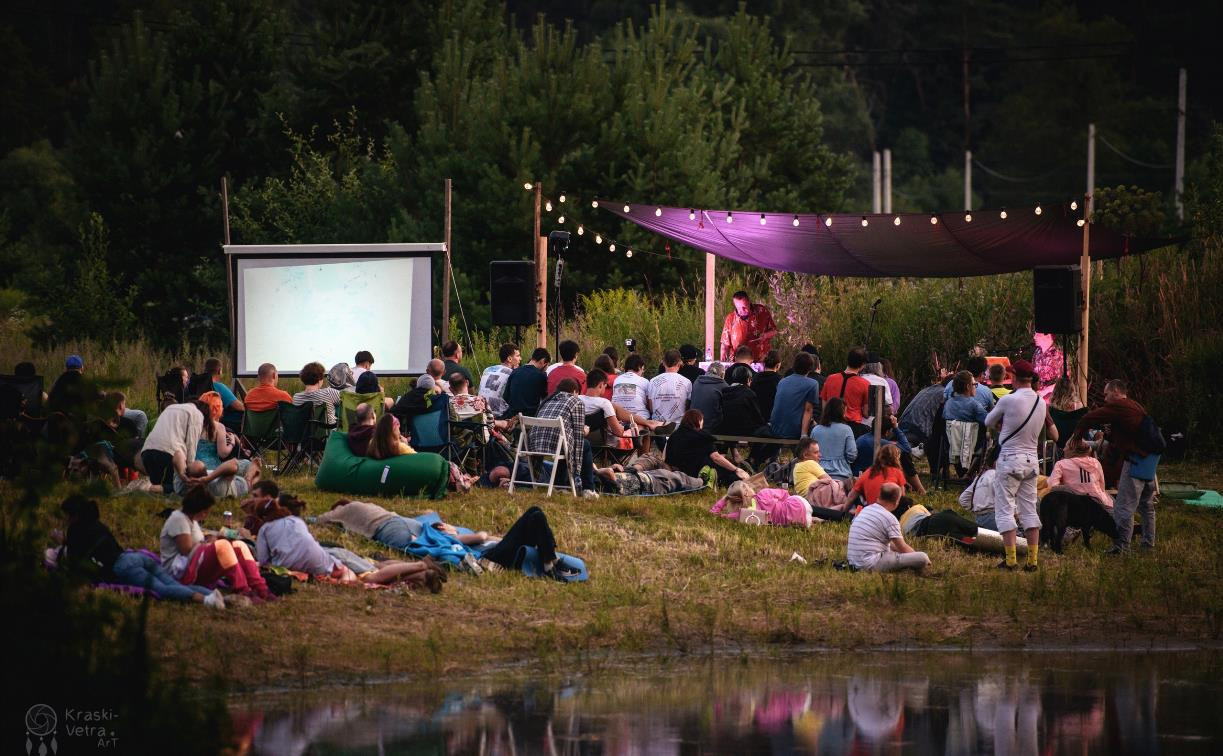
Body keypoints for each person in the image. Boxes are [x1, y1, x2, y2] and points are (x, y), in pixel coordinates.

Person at [58, 496, 225, 608]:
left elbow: (77, 562)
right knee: (176, 585)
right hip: (136, 557)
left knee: (161, 589)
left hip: (122, 567)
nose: (66, 520)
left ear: (74, 516)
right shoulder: (97, 524)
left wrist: (65, 545)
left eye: (67, 516)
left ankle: (207, 600)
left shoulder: (76, 531)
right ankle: (219, 597)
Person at [254, 495, 443, 591]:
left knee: (372, 576)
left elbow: (263, 561)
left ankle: (420, 565)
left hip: (335, 561)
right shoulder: (295, 521)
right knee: (373, 565)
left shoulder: (265, 529)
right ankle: (423, 575)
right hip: (335, 553)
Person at [1069, 379, 1158, 552]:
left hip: (1135, 460)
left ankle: (1121, 546)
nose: (1105, 398)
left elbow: (1089, 417)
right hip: (1150, 460)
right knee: (1146, 505)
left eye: (1106, 394)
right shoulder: (1136, 407)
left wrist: (1077, 436)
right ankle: (1148, 544)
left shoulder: (1120, 406)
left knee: (1124, 506)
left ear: (1116, 392)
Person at [985, 359, 1058, 571]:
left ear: (1015, 378)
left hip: (1010, 459)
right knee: (1029, 509)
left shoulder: (1008, 400)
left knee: (1005, 509)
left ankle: (1010, 560)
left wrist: (1003, 426)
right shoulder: (1041, 402)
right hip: (1032, 461)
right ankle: (1033, 561)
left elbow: (989, 421)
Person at [159, 486, 270, 599]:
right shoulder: (179, 519)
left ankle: (261, 588)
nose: (206, 515)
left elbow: (197, 543)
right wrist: (209, 544)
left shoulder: (191, 519)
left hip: (195, 562)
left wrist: (210, 540)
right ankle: (243, 590)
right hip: (180, 571)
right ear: (200, 510)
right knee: (223, 545)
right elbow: (186, 549)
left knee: (239, 545)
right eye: (206, 511)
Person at [530, 378, 598, 497]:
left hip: (534, 445)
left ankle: (560, 485)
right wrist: (585, 431)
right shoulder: (575, 402)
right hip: (555, 445)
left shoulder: (547, 401)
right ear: (574, 391)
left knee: (565, 443)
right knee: (584, 444)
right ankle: (588, 488)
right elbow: (578, 434)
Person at [846, 482, 930, 573]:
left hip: (853, 562)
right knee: (922, 558)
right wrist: (915, 556)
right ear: (897, 501)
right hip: (870, 564)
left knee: (892, 549)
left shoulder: (866, 510)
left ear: (880, 496)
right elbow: (903, 548)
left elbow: (892, 545)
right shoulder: (889, 518)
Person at [665, 409, 749, 486]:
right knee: (732, 475)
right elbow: (716, 458)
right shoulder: (702, 437)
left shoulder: (674, 436)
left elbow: (668, 458)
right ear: (698, 420)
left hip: (678, 473)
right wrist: (736, 469)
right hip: (699, 473)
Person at [141, 401, 207, 493]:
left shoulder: (170, 408)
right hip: (169, 454)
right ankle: (144, 489)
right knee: (174, 487)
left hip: (147, 451)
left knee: (156, 488)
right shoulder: (197, 414)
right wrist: (189, 472)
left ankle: (145, 491)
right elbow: (191, 443)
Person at [711, 479, 812, 528]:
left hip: (802, 523)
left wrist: (725, 498)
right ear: (746, 493)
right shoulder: (763, 494)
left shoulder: (741, 515)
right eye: (748, 487)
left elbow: (713, 514)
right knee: (790, 502)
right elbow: (784, 493)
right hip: (800, 504)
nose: (751, 487)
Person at [1047, 438, 1113, 510]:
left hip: (1075, 505)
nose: (1064, 449)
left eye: (1066, 446)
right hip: (1100, 504)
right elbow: (1102, 486)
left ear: (1072, 450)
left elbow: (1052, 486)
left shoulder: (1061, 464)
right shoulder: (1095, 462)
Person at [819, 348, 872, 434]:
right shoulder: (865, 384)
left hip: (830, 424)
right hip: (853, 427)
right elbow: (866, 413)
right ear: (862, 365)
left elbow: (824, 407)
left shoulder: (830, 379)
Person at [769, 352, 821, 439]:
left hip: (775, 429)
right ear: (810, 368)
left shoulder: (782, 381)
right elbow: (808, 410)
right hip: (793, 431)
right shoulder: (812, 384)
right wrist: (803, 435)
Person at [719, 290, 777, 361]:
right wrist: (723, 355)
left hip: (760, 361)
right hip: (738, 362)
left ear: (749, 302)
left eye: (744, 307)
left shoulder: (762, 311)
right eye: (738, 308)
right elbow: (724, 343)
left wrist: (765, 335)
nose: (742, 310)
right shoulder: (730, 318)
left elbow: (774, 331)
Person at [810, 398, 857, 483]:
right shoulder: (846, 429)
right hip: (841, 475)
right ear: (841, 413)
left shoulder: (816, 430)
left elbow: (810, 453)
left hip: (818, 474)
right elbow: (852, 454)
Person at [47, 354, 100, 427]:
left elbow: (51, 400)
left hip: (59, 426)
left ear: (67, 369)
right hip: (80, 426)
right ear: (82, 368)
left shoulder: (59, 382)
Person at [647, 349, 692, 425]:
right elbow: (687, 406)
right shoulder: (687, 382)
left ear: (663, 363)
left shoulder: (653, 381)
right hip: (678, 427)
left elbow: (651, 408)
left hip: (657, 427)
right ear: (679, 363)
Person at [503, 348, 550, 419]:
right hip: (530, 417)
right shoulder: (541, 375)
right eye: (546, 365)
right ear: (542, 361)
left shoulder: (515, 372)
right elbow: (545, 399)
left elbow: (506, 396)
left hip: (512, 415)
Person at [293, 361, 341, 425]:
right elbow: (348, 400)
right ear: (320, 379)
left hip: (303, 433)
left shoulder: (296, 397)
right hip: (328, 432)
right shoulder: (328, 392)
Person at [202, 357, 245, 430]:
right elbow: (238, 406)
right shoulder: (218, 386)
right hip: (226, 421)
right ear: (219, 371)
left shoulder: (198, 385)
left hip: (204, 420)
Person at [478, 344, 520, 417]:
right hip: (499, 415)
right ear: (509, 359)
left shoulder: (487, 369)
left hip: (482, 413)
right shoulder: (512, 373)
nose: (520, 358)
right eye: (518, 356)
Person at [1047, 376, 1087, 452]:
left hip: (1056, 448)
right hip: (1075, 447)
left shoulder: (1050, 409)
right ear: (1072, 390)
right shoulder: (1079, 406)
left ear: (1056, 390)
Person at [689, 362, 729, 433]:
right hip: (712, 428)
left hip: (693, 425)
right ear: (722, 374)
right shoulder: (724, 386)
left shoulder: (697, 381)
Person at [611, 353, 651, 420]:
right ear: (639, 367)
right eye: (642, 369)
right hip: (639, 418)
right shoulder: (644, 381)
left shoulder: (617, 380)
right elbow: (649, 405)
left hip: (619, 417)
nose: (642, 372)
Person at [859, 353, 895, 424]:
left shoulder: (857, 379)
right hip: (876, 424)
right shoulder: (882, 381)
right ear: (878, 366)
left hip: (858, 422)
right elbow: (889, 407)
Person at [753, 350, 782, 419]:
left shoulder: (755, 378)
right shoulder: (780, 381)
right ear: (778, 365)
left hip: (756, 417)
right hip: (773, 418)